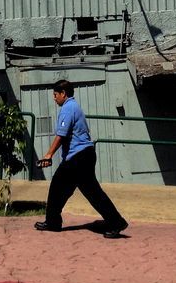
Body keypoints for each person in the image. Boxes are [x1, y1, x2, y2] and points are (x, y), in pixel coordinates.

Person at [34, 78, 128, 238]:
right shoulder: (74, 106)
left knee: (61, 187)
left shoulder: (67, 108)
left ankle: (54, 222)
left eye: (55, 94)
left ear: (63, 94)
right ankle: (115, 221)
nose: (54, 98)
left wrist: (49, 154)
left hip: (78, 158)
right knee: (86, 191)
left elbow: (61, 135)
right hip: (83, 156)